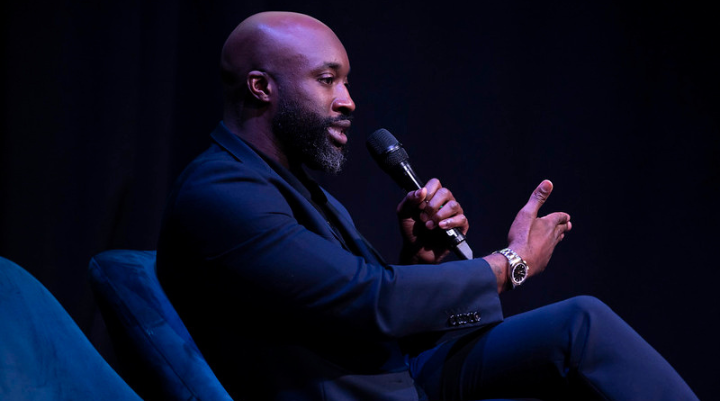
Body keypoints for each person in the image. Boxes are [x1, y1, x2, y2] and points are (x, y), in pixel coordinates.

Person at [156, 11, 699, 401]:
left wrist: (418, 260)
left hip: (398, 369)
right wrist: (509, 265)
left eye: (346, 81)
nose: (349, 102)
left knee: (582, 323)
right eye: (327, 81)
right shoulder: (220, 193)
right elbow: (369, 300)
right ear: (260, 87)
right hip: (364, 389)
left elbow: (346, 304)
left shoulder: (288, 182)